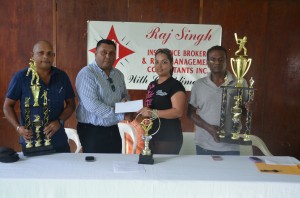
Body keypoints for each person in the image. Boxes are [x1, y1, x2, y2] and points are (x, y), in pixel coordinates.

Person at [3, 40, 76, 153]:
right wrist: (18, 128)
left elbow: (71, 104)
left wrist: (59, 121)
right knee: (34, 171)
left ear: (53, 56)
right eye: (41, 53)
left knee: (63, 171)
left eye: (49, 53)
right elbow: (7, 106)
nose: (46, 57)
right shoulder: (21, 77)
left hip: (58, 140)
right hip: (31, 142)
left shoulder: (62, 77)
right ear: (32, 55)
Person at [187, 45, 253, 155]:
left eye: (221, 59)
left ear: (226, 61)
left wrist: (250, 108)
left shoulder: (240, 83)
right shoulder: (199, 85)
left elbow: (244, 112)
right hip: (204, 145)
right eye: (213, 59)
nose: (217, 62)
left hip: (231, 146)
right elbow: (190, 113)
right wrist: (209, 128)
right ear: (207, 62)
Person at [76, 39, 132, 153]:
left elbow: (125, 95)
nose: (108, 56)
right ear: (95, 53)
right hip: (92, 131)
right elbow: (93, 106)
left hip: (113, 129)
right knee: (95, 168)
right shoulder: (87, 74)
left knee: (114, 165)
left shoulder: (118, 74)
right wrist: (121, 115)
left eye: (111, 53)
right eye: (104, 52)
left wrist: (126, 102)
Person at [138, 48, 186, 154]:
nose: (159, 66)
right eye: (156, 62)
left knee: (165, 169)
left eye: (164, 62)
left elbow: (178, 112)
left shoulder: (175, 85)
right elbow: (149, 109)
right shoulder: (152, 85)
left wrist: (152, 112)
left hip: (168, 136)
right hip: (151, 134)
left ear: (171, 64)